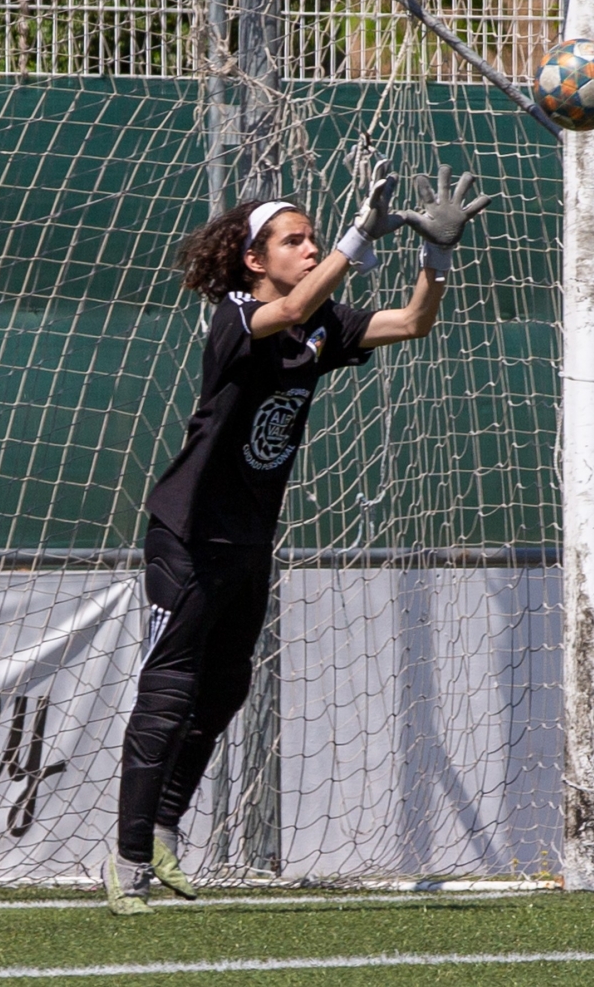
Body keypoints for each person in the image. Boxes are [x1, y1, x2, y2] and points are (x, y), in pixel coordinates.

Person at [102, 160, 491, 915]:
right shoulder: (238, 317)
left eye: (315, 239)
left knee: (226, 687)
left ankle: (162, 831)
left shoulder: (320, 323)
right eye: (294, 241)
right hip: (186, 534)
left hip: (247, 540)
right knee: (169, 692)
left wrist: (435, 259)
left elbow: (411, 322)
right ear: (256, 260)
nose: (309, 250)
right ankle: (126, 860)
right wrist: (354, 236)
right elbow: (289, 313)